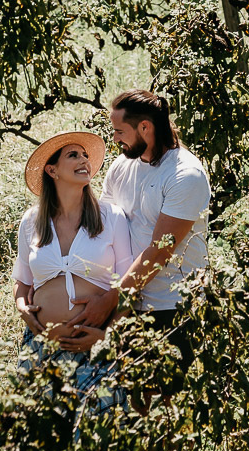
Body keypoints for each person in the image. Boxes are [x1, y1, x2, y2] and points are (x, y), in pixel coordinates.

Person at [57, 90, 211, 388]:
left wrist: (109, 301)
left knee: (166, 398)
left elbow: (159, 252)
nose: (115, 139)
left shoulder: (185, 175)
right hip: (127, 302)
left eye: (119, 131)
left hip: (172, 305)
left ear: (145, 127)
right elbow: (104, 230)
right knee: (128, 397)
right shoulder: (121, 167)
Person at [11, 130, 133, 413]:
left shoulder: (111, 217)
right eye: (73, 155)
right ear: (52, 170)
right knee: (39, 433)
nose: (84, 161)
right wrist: (22, 309)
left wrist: (107, 337)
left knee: (98, 432)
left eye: (85, 155)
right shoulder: (31, 221)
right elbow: (22, 281)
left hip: (96, 346)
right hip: (42, 348)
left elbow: (129, 286)